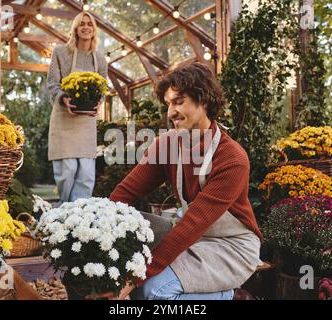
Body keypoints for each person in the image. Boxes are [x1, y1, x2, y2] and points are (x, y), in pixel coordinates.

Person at [95, 62, 263, 300]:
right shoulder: (167, 145)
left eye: (179, 101)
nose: (170, 112)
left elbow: (191, 225)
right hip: (195, 240)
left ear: (203, 100)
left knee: (155, 291)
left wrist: (135, 276)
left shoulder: (232, 159)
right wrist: (97, 233)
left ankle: (229, 296)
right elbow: (125, 193)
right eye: (168, 104)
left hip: (231, 247)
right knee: (139, 280)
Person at [46, 11, 107, 205]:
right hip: (64, 119)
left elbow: (103, 88)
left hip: (86, 121)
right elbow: (52, 83)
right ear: (75, 28)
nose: (86, 27)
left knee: (87, 173)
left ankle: (80, 213)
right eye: (82, 24)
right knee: (68, 169)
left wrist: (98, 102)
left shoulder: (99, 58)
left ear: (94, 29)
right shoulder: (60, 53)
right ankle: (65, 208)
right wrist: (64, 98)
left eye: (89, 24)